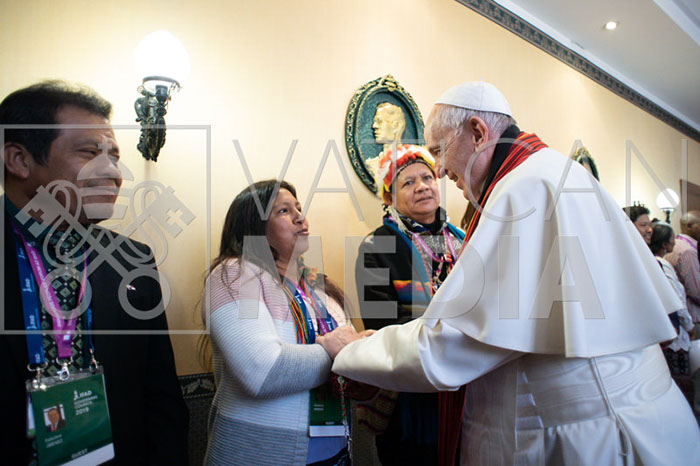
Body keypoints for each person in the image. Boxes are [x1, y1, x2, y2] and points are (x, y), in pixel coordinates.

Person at [317, 81, 700, 464]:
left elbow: (456, 341)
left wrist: (353, 350)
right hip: (612, 416)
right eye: (410, 180)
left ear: (477, 132)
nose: (438, 171)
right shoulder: (549, 172)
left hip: (586, 434)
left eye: (438, 152)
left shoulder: (523, 190)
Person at [1, 81, 188, 464]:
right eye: (89, 153)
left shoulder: (133, 260)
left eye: (114, 157)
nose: (114, 173)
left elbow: (161, 398)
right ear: (19, 160)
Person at [202, 180, 354, 465]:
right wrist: (338, 351)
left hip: (336, 452)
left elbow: (350, 360)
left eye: (298, 208)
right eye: (283, 211)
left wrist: (363, 366)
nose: (300, 217)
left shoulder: (319, 286)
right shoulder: (236, 273)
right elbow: (261, 372)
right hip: (260, 455)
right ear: (254, 227)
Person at [355, 144, 463, 465]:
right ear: (389, 198)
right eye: (408, 182)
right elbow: (381, 326)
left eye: (427, 178)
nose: (422, 187)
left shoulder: (461, 240)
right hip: (411, 398)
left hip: (466, 386)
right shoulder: (377, 246)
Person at [650, 222, 695, 399]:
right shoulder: (661, 263)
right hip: (674, 335)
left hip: (667, 332)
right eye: (672, 239)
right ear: (664, 243)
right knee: (681, 385)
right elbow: (675, 299)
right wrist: (688, 325)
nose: (675, 243)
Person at [665, 211, 700, 337]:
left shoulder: (676, 244)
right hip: (693, 317)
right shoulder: (687, 251)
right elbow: (696, 291)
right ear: (689, 226)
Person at [365, 102, 407, 179]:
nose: (374, 126)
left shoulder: (410, 165)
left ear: (395, 126)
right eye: (375, 122)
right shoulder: (371, 165)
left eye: (379, 121)